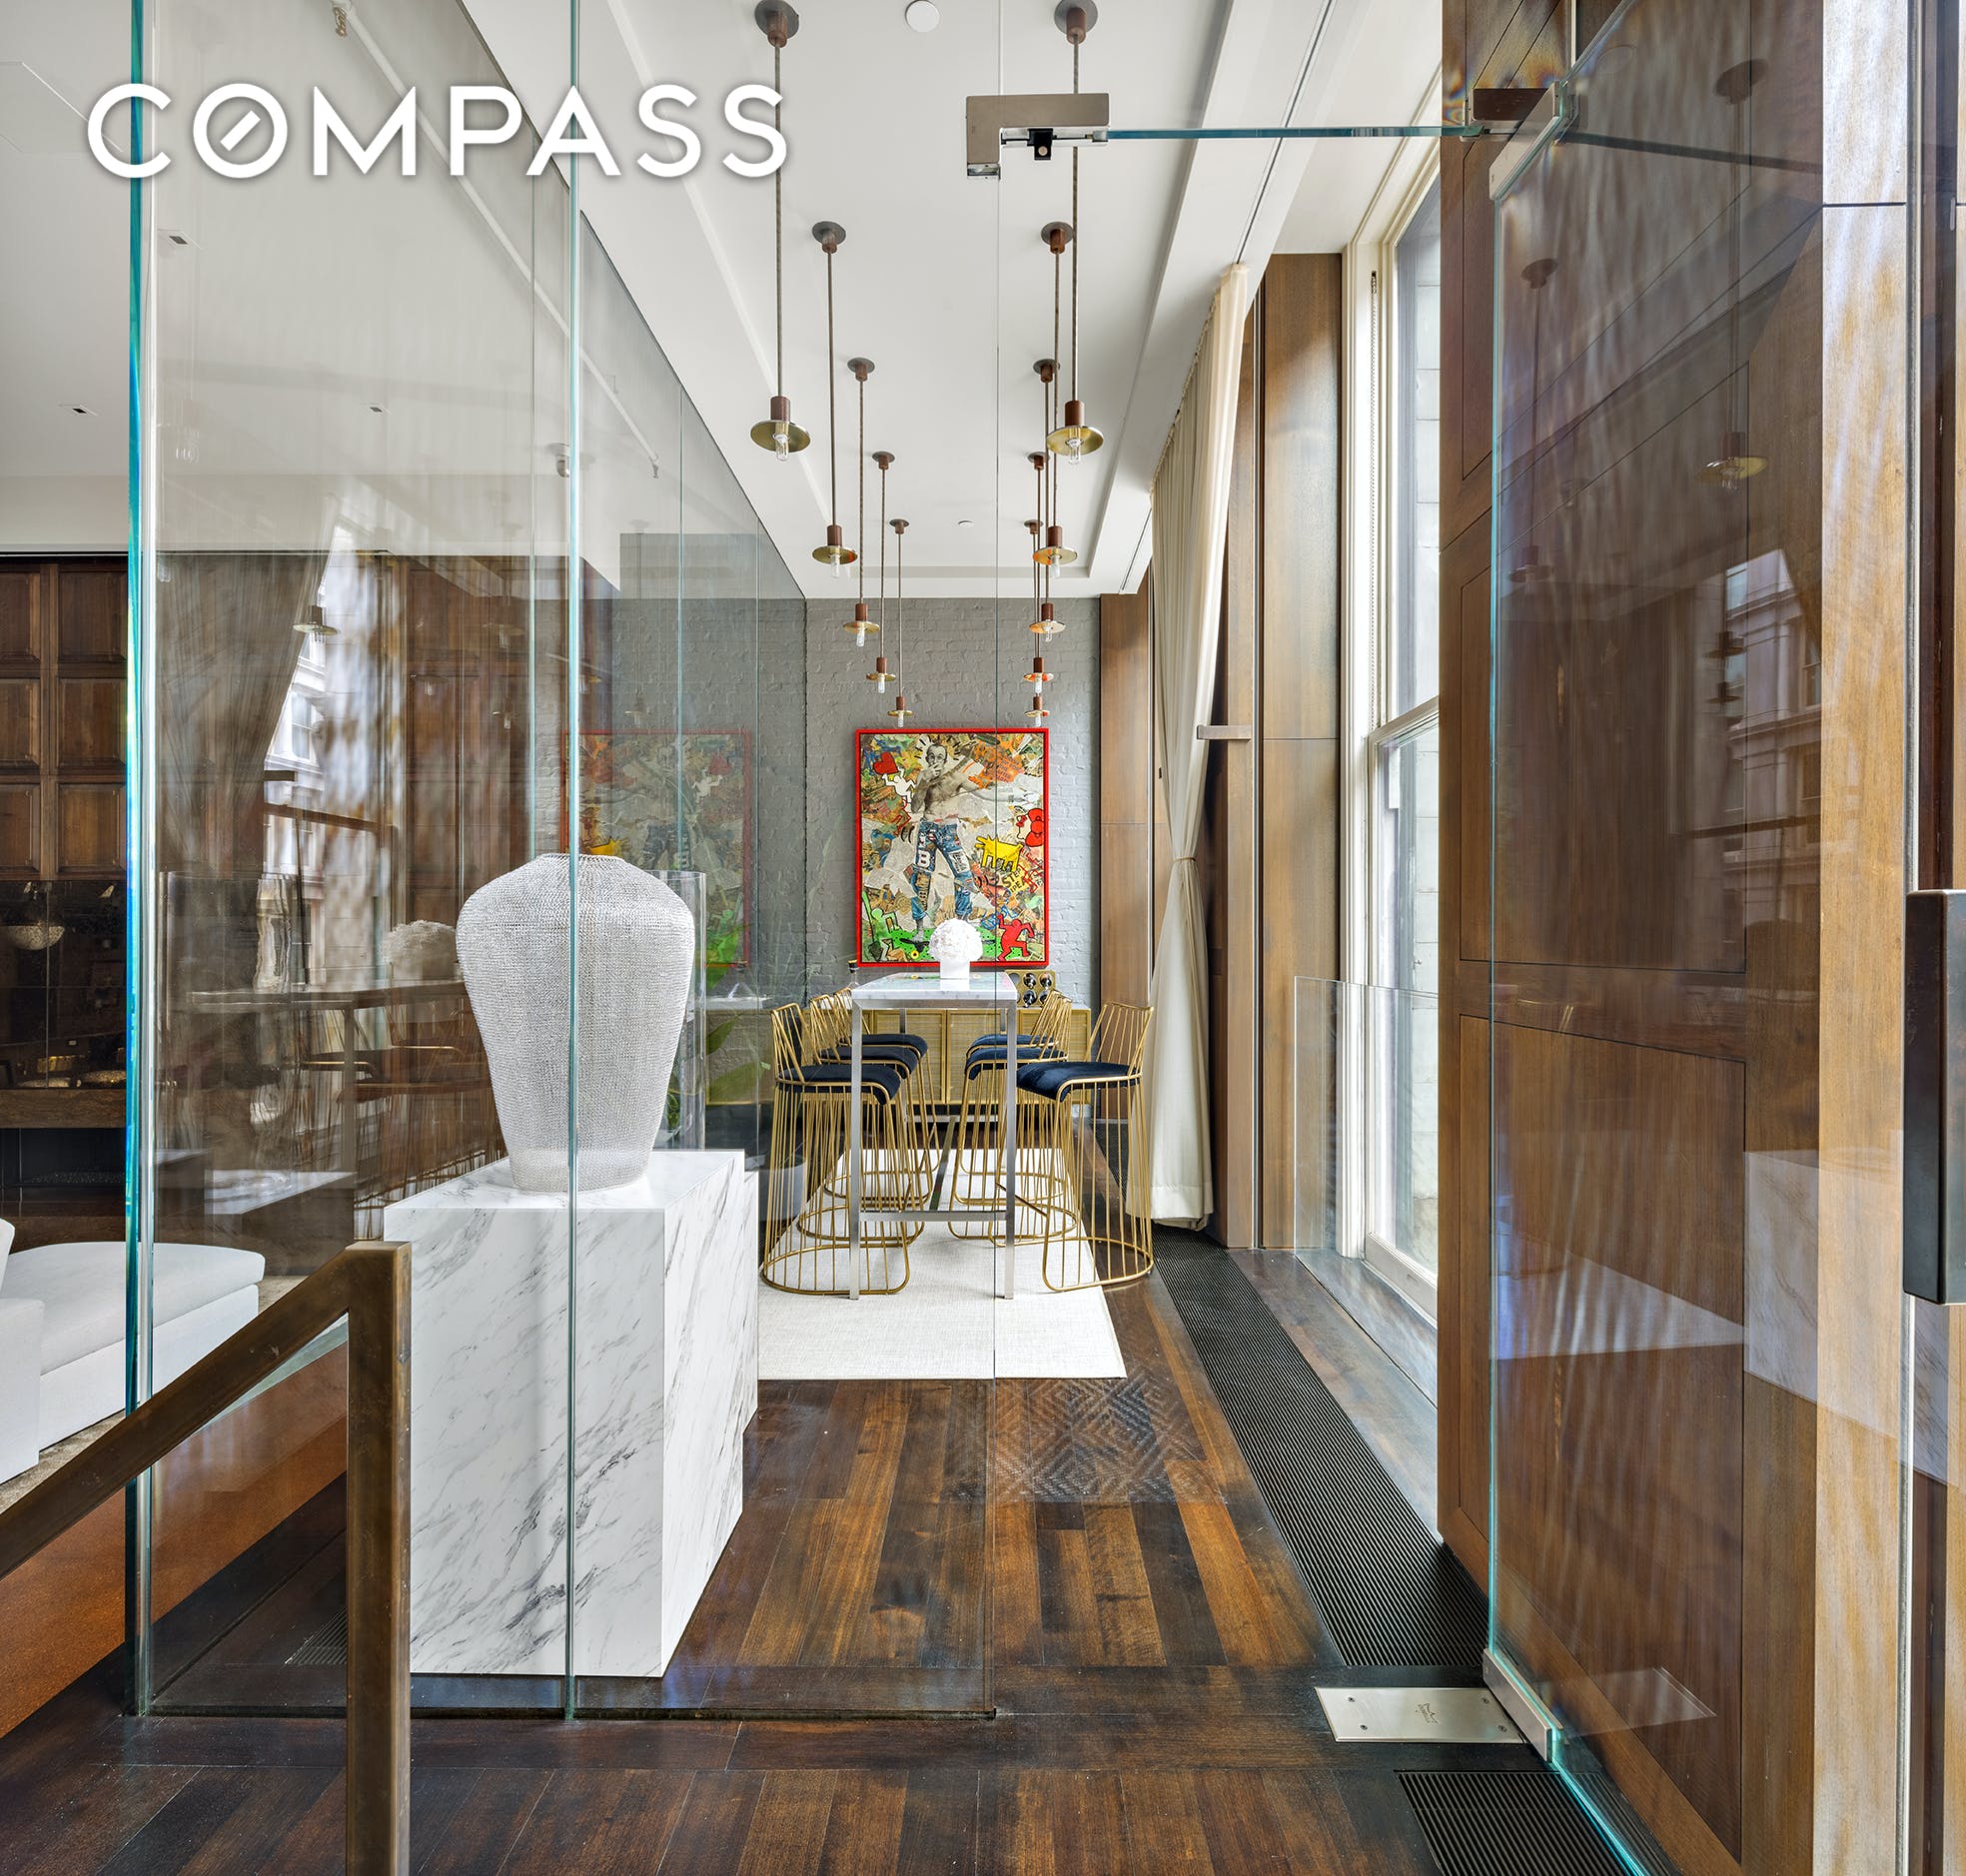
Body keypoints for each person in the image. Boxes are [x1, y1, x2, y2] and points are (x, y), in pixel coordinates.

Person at [907, 739, 991, 939]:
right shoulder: (923, 776)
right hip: (927, 829)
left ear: (945, 760)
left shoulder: (956, 777)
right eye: (932, 757)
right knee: (922, 878)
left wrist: (1011, 797)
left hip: (948, 831)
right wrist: (924, 783)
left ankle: (963, 926)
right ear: (927, 759)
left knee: (964, 876)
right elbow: (915, 808)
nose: (935, 760)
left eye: (940, 757)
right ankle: (919, 930)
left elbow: (982, 793)